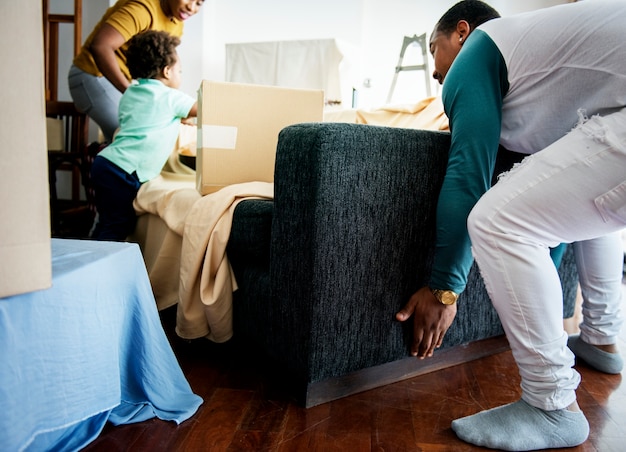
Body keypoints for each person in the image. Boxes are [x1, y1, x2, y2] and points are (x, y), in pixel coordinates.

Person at [395, 0, 626, 450]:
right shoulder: (546, 86)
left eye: (433, 49)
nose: (436, 71)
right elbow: (554, 220)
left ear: (461, 32)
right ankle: (600, 337)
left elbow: (467, 176)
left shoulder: (478, 52)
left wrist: (445, 288)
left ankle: (551, 404)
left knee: (496, 221)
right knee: (589, 204)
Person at [90, 30, 197, 241]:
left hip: (106, 163)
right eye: (180, 71)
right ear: (167, 72)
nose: (181, 76)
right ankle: (99, 268)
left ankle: (90, 256)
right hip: (124, 172)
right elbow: (205, 108)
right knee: (117, 226)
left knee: (107, 222)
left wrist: (178, 118)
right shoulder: (171, 97)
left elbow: (146, 119)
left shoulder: (130, 93)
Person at [68, 0, 203, 143]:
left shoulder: (176, 22)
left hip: (123, 82)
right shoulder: (141, 10)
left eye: (199, 3)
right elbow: (101, 47)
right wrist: (133, 93)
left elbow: (161, 69)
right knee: (133, 133)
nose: (191, 7)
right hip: (92, 75)